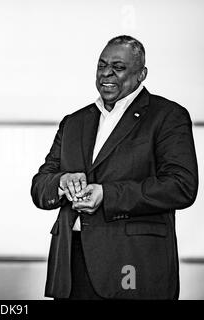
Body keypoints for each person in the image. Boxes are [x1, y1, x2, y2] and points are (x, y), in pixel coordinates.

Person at [31, 35, 198, 299]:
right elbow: (41, 186)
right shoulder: (74, 121)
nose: (106, 73)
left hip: (133, 264)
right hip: (71, 265)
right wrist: (62, 182)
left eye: (118, 67)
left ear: (141, 74)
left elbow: (181, 186)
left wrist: (107, 194)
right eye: (101, 65)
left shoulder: (168, 116)